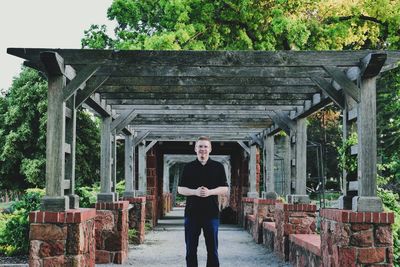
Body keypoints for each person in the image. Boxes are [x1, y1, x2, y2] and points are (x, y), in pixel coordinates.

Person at [178, 136, 228, 267]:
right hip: (191, 214)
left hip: (211, 214)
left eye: (206, 146)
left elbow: (225, 188)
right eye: (200, 146)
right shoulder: (188, 167)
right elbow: (180, 189)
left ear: (210, 149)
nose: (203, 149)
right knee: (190, 250)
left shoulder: (218, 167)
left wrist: (210, 192)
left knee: (212, 250)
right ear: (195, 149)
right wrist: (195, 192)